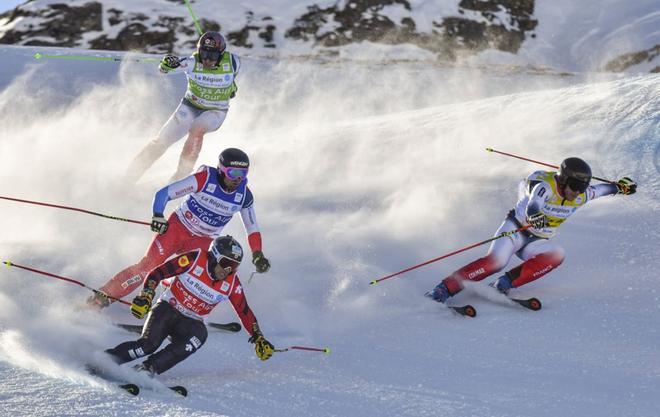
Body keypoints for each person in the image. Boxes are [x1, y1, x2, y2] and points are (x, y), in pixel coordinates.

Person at [426, 157, 637, 302]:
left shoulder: (581, 195)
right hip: (515, 230)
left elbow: (601, 190)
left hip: (537, 241)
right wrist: (535, 215)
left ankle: (503, 284)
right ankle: (443, 289)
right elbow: (534, 203)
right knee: (495, 262)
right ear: (563, 180)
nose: (577, 192)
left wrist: (620, 187)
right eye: (574, 186)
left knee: (557, 255)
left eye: (581, 187)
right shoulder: (545, 186)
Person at [88, 147, 271, 309]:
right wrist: (158, 215)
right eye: (233, 173)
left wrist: (257, 254)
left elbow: (252, 228)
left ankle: (166, 312)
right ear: (221, 170)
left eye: (243, 174)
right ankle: (102, 298)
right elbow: (164, 194)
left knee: (188, 280)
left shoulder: (244, 196)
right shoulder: (204, 179)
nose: (238, 180)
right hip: (177, 228)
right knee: (148, 266)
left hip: (202, 241)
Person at [104, 235, 275, 375]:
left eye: (234, 267)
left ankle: (148, 369)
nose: (227, 270)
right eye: (225, 263)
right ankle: (106, 360)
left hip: (190, 322)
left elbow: (244, 311)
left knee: (200, 335)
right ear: (214, 256)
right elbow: (158, 273)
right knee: (148, 345)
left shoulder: (232, 284)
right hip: (168, 308)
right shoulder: (193, 259)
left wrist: (258, 337)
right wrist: (146, 295)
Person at [126, 31, 241, 182]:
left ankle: (179, 178)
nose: (207, 60)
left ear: (221, 53)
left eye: (212, 56)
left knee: (197, 130)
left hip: (216, 111)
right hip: (191, 106)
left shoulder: (233, 61)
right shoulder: (193, 62)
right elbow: (163, 70)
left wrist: (231, 88)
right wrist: (167, 64)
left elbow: (233, 76)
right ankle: (129, 177)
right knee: (161, 141)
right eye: (204, 53)